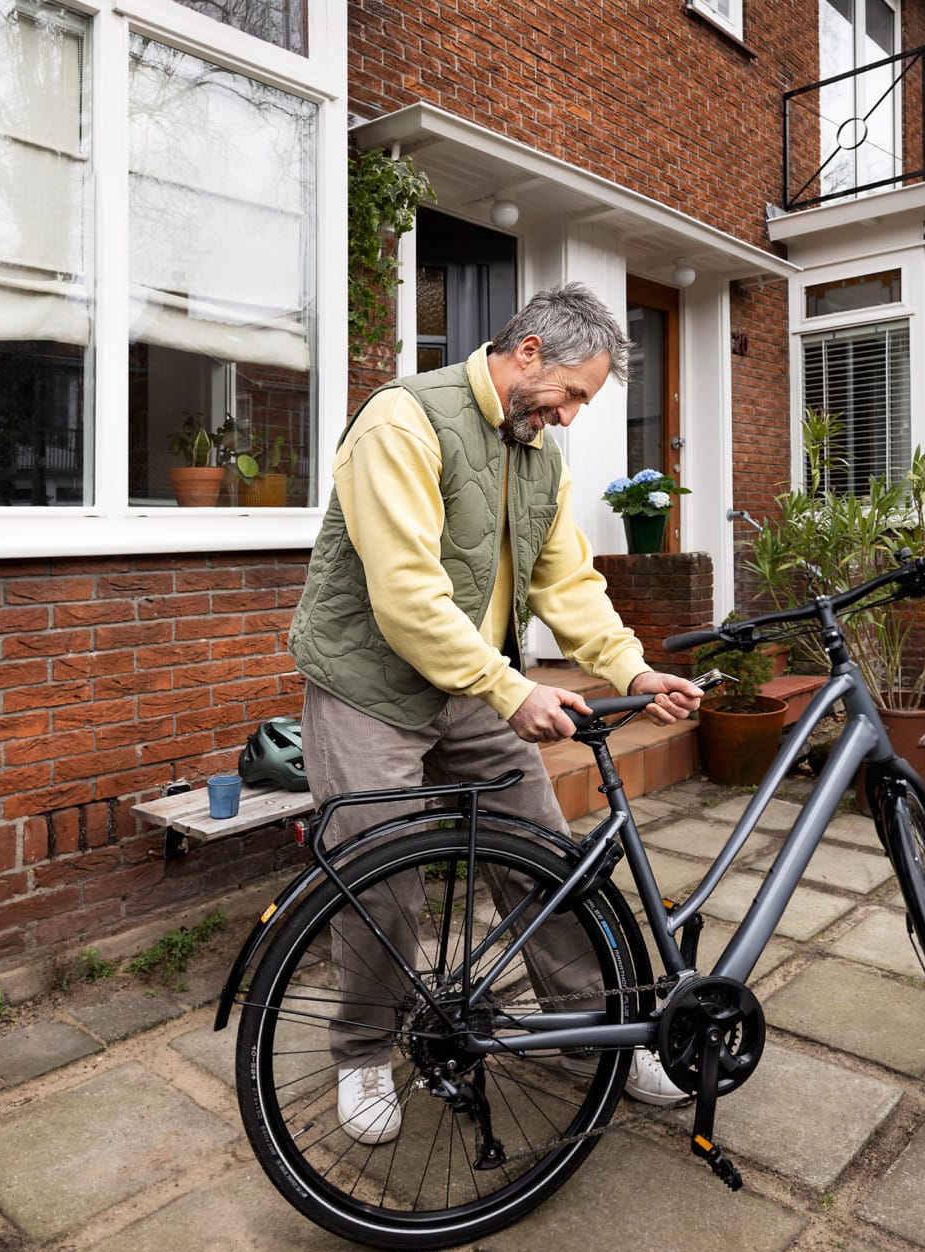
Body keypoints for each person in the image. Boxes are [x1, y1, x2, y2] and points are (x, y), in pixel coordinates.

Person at [288, 282, 703, 1143]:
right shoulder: (402, 421)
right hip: (371, 688)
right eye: (574, 393)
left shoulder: (538, 455)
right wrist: (514, 690)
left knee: (547, 860)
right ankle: (363, 1053)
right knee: (385, 880)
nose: (576, 416)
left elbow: (565, 583)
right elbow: (405, 597)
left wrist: (632, 665)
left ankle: (596, 1035)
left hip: (470, 690)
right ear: (526, 356)